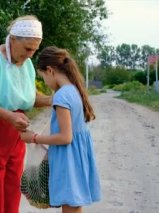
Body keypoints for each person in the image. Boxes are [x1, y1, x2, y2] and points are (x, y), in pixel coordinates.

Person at [0, 15, 51, 213]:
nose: (30, 55)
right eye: (27, 49)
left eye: (34, 50)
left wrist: (54, 100)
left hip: (14, 132)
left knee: (12, 187)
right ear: (13, 39)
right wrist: (10, 117)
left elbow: (29, 97)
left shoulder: (26, 64)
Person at [21, 46, 101, 213]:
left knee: (69, 205)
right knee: (74, 204)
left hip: (68, 158)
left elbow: (65, 137)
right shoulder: (74, 90)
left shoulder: (61, 96)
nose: (45, 82)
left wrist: (34, 138)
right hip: (77, 156)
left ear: (49, 70)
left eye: (43, 77)